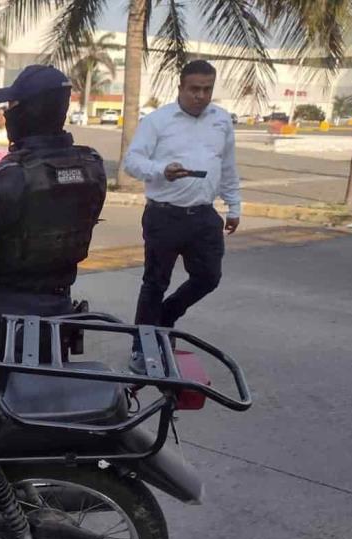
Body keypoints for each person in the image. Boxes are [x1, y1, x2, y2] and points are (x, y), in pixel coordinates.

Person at [0, 65, 107, 371]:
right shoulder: (92, 167)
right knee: (47, 401)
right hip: (59, 311)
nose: (6, 114)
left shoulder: (3, 179)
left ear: (26, 113)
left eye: (11, 107)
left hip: (4, 323)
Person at [123, 59, 241, 373]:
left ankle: (166, 316)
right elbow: (132, 161)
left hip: (204, 216)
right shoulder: (158, 121)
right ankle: (142, 348)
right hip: (164, 216)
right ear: (181, 88)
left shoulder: (221, 120)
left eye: (207, 89)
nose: (200, 96)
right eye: (194, 89)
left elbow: (227, 165)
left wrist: (234, 205)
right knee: (155, 283)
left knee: (208, 277)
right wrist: (161, 170)